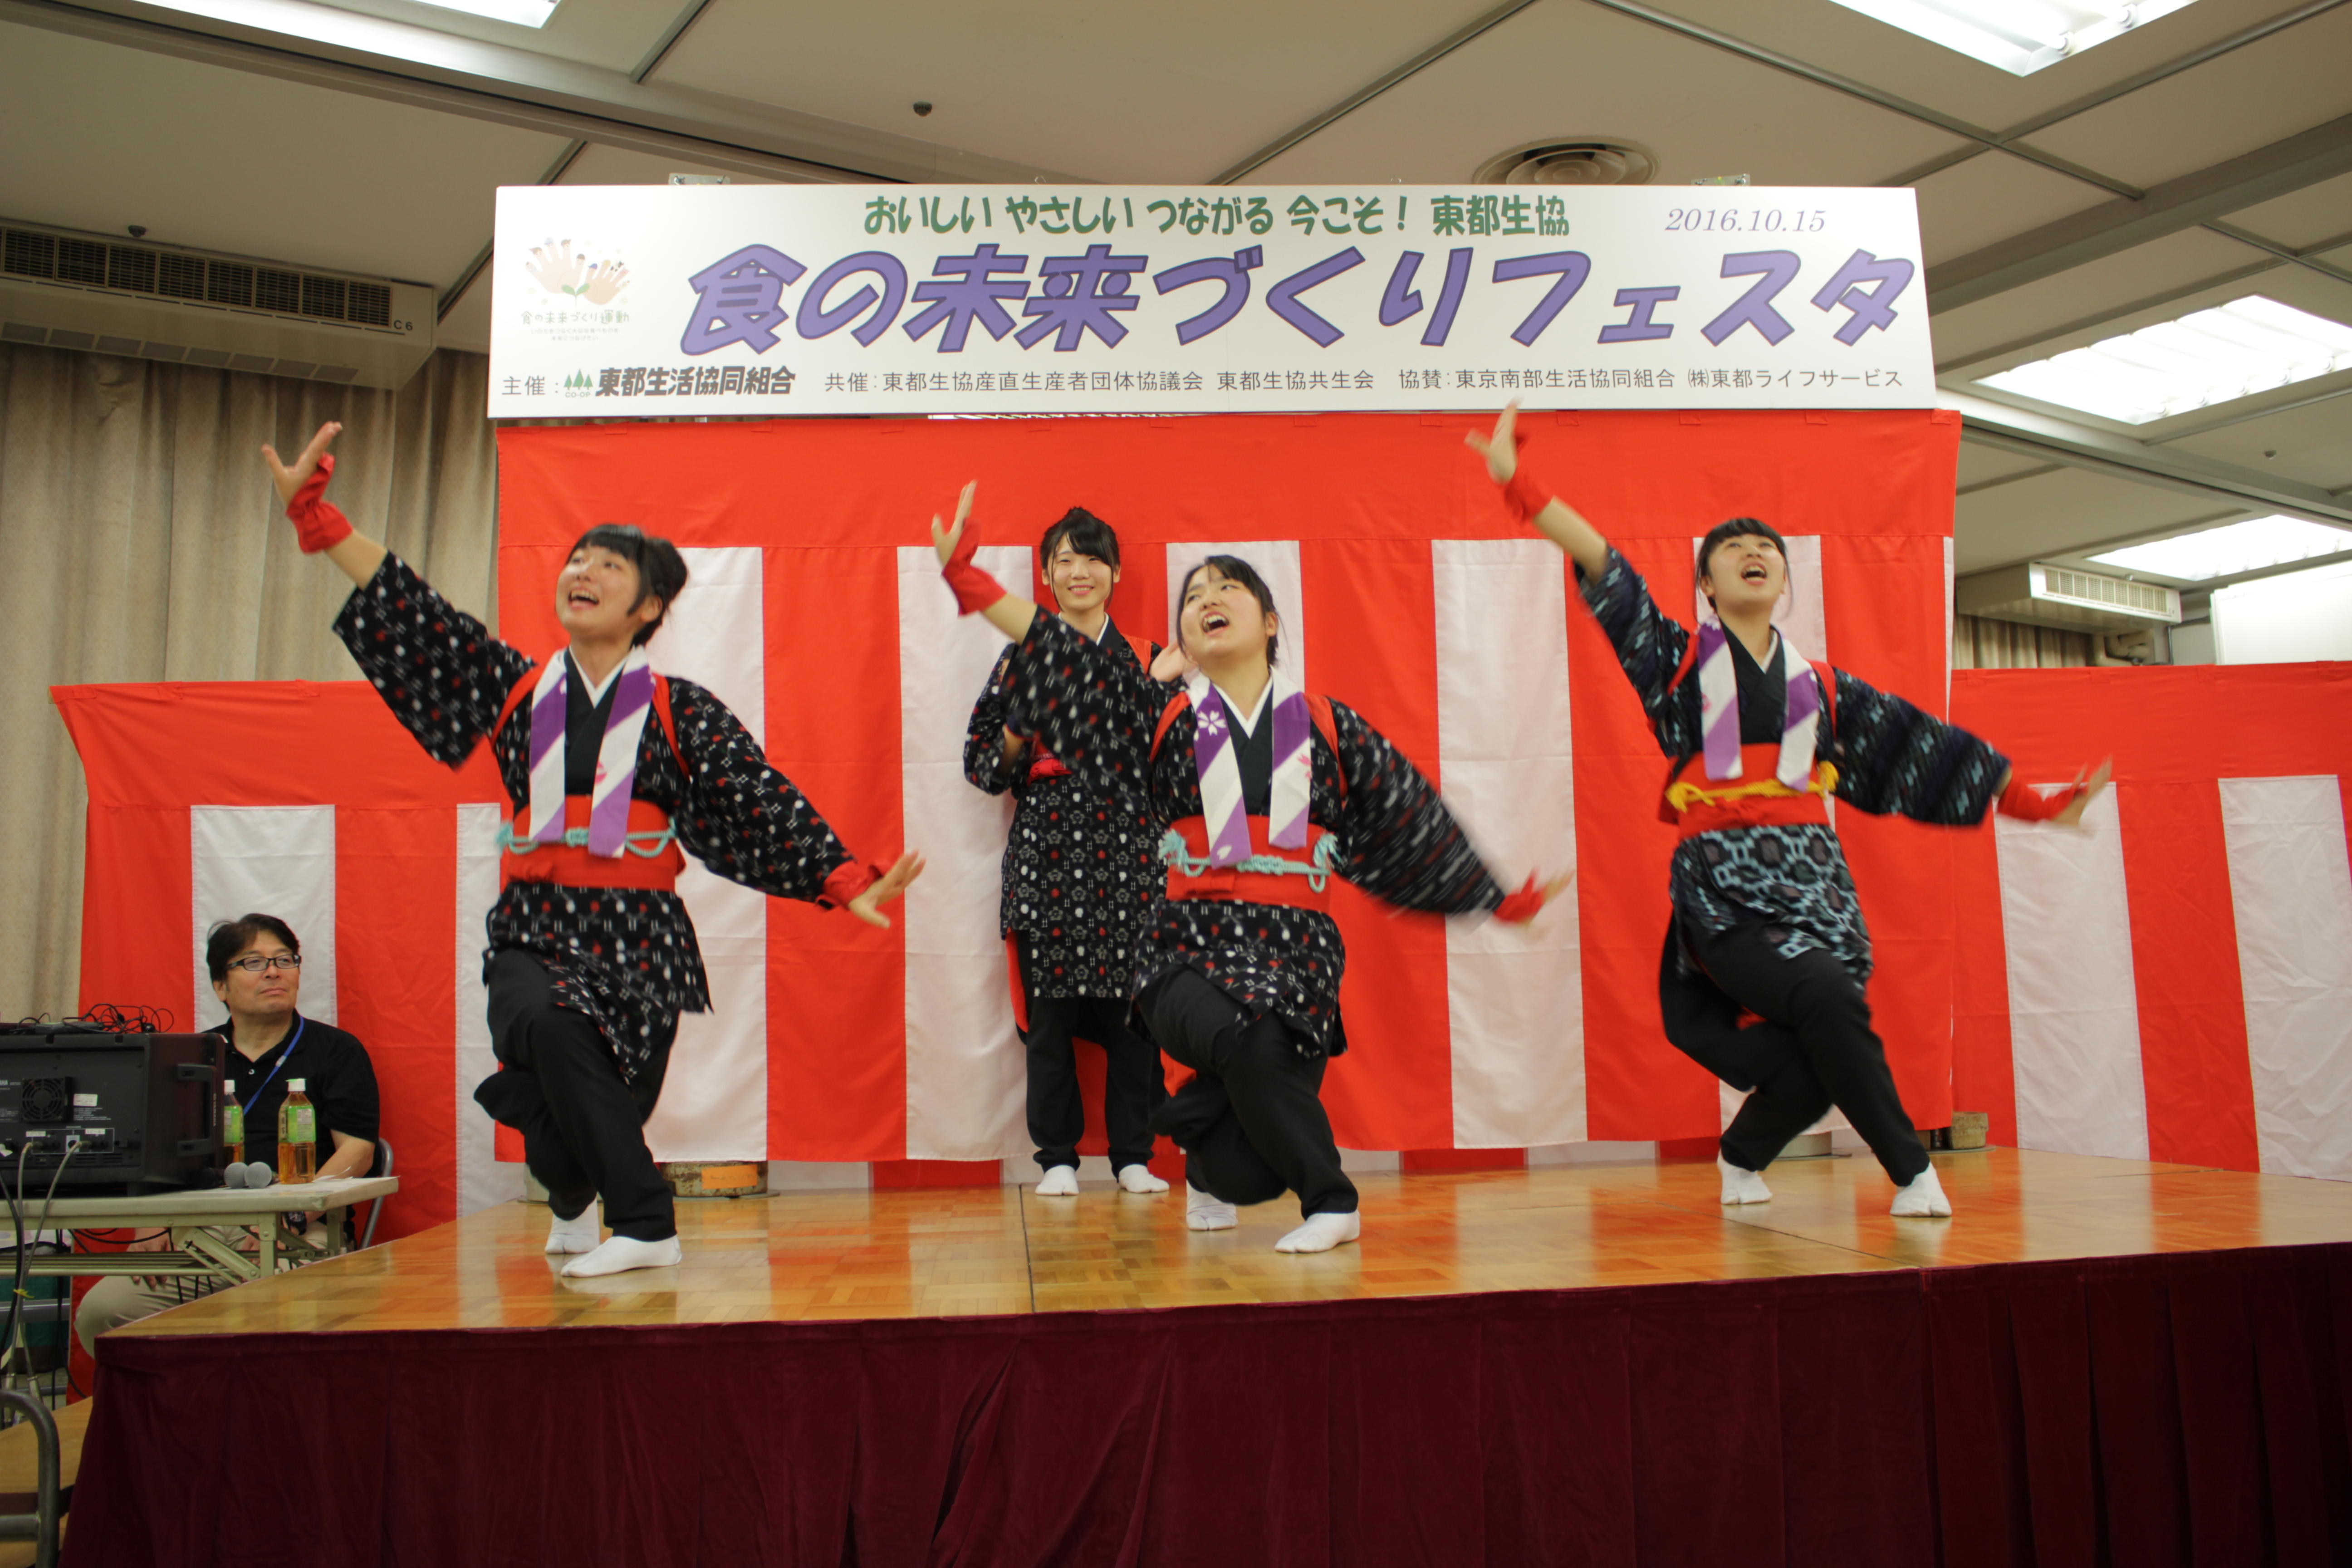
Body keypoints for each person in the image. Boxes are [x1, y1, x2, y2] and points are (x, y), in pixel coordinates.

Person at [262, 422, 922, 1277]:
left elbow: (755, 795)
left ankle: (568, 1192)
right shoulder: (514, 690)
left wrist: (840, 877)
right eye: (576, 559)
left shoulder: (683, 710)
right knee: (548, 1022)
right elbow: (417, 616)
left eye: (610, 566)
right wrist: (319, 522)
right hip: (535, 924)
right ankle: (647, 1222)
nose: (583, 571)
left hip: (643, 935)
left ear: (649, 607)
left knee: (588, 1101)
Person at [1468, 403, 2108, 1217]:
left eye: (1765, 546)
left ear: (1782, 578)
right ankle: (1911, 1172)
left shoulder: (1829, 690)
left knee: (1820, 1046)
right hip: (1724, 895)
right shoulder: (1672, 664)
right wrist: (1520, 487)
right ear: (1703, 583)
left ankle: (1742, 1152)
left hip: (1815, 888)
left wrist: (2036, 804)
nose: (1752, 553)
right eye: (1730, 548)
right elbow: (1607, 569)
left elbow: (1925, 752)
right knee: (1830, 1005)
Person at [930, 484, 1570, 1252]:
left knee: (1245, 1152)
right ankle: (1331, 1201)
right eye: (1193, 594)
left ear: (1270, 621)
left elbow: (1405, 811)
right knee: (1241, 1036)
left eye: (1227, 587)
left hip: (1294, 946)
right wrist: (972, 584)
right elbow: (1060, 659)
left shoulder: (1327, 724)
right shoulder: (1154, 713)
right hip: (1184, 944)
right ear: (1184, 642)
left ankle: (1206, 1151)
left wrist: (1489, 896)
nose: (1207, 597)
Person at [966, 508, 1172, 1198]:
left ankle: (1134, 1155)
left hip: (1131, 853)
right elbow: (983, 766)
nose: (1078, 571)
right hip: (1047, 851)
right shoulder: (1022, 655)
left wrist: (1157, 692)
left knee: (1134, 1013)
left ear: (1115, 572)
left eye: (1091, 559)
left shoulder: (1150, 658)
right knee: (1048, 1011)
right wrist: (1022, 730)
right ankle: (1056, 1157)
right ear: (1047, 576)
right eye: (1064, 559)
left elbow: (1178, 768)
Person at [76, 913, 379, 1353]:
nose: (274, 971)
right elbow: (159, 1158)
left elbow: (359, 1151)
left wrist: (292, 1216)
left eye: (284, 959)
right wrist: (150, 1224)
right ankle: (168, 1420)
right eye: (253, 962)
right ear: (221, 986)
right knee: (105, 1312)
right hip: (199, 1228)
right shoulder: (190, 1056)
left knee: (289, 1311)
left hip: (299, 1228)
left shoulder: (337, 1052)